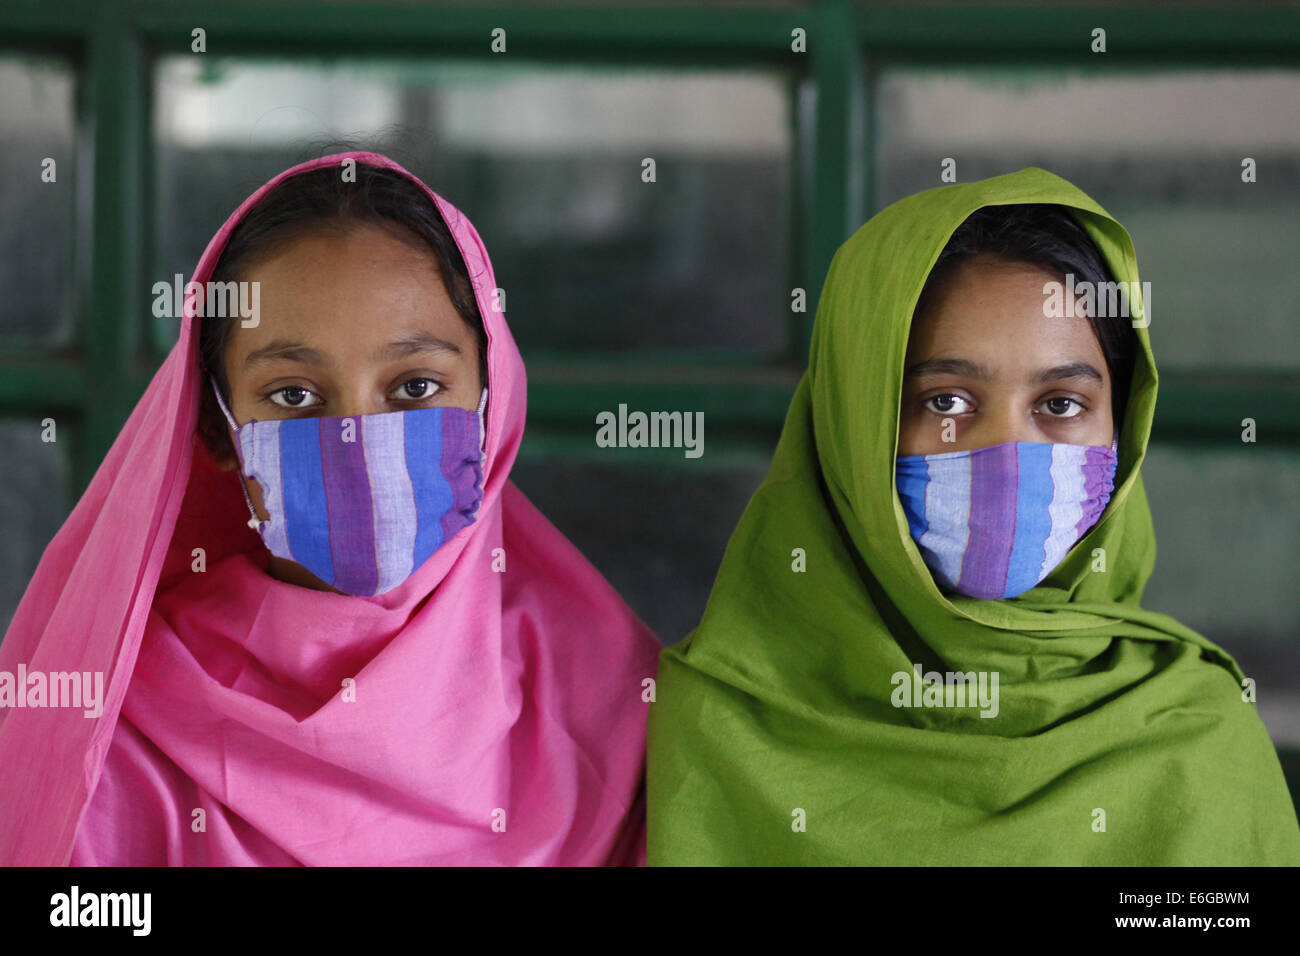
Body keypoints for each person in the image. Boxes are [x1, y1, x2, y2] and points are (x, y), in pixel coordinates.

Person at [0, 151, 661, 866]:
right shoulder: (103, 724)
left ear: (491, 404)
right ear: (220, 431)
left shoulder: (615, 706)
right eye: (293, 396)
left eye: (414, 389)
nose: (358, 440)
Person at [645, 167, 1300, 865]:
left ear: (1123, 424)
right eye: (947, 402)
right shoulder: (722, 721)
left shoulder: (1195, 734)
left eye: (1060, 405)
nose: (1007, 455)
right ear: (850, 421)